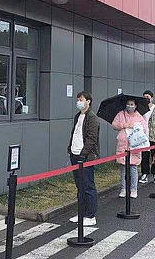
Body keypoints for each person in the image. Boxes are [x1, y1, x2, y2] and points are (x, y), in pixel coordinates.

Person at [67, 91, 100, 226]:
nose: (78, 102)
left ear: (88, 101)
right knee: (80, 186)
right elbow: (74, 133)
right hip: (74, 154)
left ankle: (90, 215)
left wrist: (83, 153)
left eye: (81, 100)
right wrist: (70, 148)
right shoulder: (78, 116)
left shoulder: (92, 117)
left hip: (85, 156)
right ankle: (81, 213)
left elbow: (92, 139)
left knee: (88, 185)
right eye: (78, 100)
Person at [112, 98, 148, 199]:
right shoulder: (120, 114)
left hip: (134, 145)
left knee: (133, 168)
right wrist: (123, 125)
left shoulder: (139, 116)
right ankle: (123, 189)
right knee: (123, 169)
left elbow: (144, 128)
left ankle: (133, 189)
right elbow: (114, 125)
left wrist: (134, 126)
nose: (130, 106)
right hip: (123, 145)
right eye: (128, 104)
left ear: (135, 106)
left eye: (132, 104)